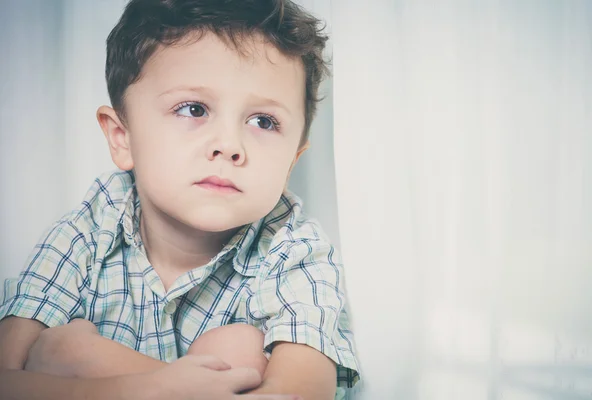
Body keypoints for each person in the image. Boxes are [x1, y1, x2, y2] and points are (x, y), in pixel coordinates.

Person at [0, 1, 360, 399]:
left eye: (263, 121)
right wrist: (151, 387)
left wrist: (91, 367)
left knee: (238, 348)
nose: (228, 145)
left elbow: (298, 393)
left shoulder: (296, 249)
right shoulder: (89, 228)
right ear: (123, 138)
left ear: (291, 161)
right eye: (193, 109)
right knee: (62, 346)